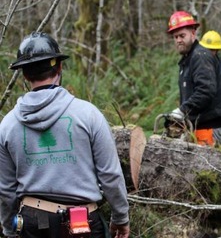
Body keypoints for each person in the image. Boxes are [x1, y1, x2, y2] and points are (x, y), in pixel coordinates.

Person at [0, 32, 130, 238]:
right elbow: (110, 174)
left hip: (32, 222)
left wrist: (9, 229)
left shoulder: (7, 125)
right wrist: (121, 217)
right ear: (60, 67)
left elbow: (6, 189)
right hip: (82, 222)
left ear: (24, 74)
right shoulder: (88, 114)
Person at [167, 11, 221, 146]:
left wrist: (183, 110)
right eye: (175, 37)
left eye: (182, 35)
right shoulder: (188, 59)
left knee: (207, 167)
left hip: (210, 128)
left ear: (193, 33)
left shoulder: (200, 56)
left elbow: (206, 90)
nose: (179, 40)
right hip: (198, 126)